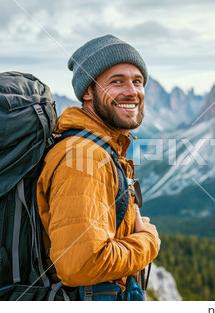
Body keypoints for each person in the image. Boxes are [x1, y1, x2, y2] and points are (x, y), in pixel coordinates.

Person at [37, 35, 161, 298]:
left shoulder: (101, 147)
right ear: (87, 92)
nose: (132, 91)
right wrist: (147, 241)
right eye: (116, 81)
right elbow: (80, 265)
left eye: (137, 81)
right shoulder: (86, 158)